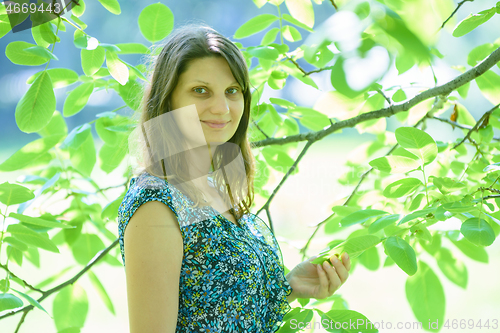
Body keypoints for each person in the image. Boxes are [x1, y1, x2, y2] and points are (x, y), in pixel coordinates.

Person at [117, 23, 351, 333]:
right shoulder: (156, 205)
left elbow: (224, 312)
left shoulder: (212, 189)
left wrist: (289, 288)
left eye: (232, 91)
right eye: (200, 91)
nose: (221, 107)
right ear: (168, 99)